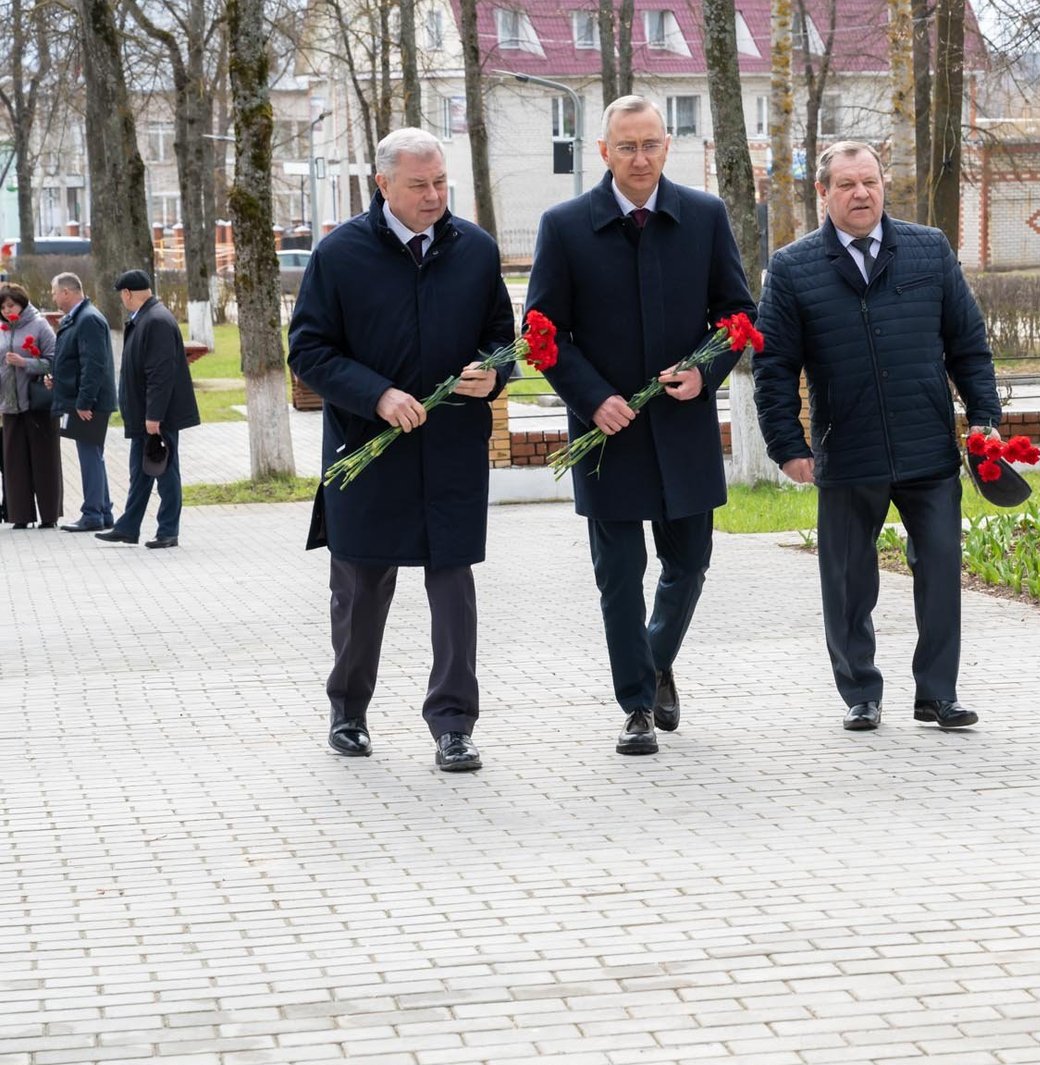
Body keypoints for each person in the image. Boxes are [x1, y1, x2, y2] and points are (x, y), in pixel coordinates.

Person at [526, 95, 754, 758]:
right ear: (604, 152)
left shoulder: (705, 216)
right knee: (619, 575)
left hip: (682, 429)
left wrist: (705, 369)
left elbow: (736, 315)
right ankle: (636, 708)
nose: (641, 157)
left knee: (690, 563)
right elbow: (543, 334)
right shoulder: (565, 226)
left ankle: (652, 662)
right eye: (627, 146)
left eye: (651, 143)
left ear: (667, 146)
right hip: (608, 436)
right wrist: (592, 399)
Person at [753, 140, 1002, 733]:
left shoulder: (928, 249)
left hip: (927, 446)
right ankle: (860, 693)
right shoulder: (792, 268)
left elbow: (967, 341)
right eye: (846, 184)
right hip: (847, 448)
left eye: (869, 181)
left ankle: (937, 694)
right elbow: (775, 367)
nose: (860, 193)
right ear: (823, 193)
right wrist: (787, 444)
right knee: (846, 582)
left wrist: (985, 416)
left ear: (883, 183)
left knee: (940, 570)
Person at [288, 127, 515, 774]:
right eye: (419, 185)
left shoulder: (474, 249)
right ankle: (349, 711)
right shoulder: (340, 254)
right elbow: (307, 350)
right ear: (382, 184)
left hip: (450, 452)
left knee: (453, 590)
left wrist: (491, 373)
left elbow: (504, 337)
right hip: (368, 450)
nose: (434, 196)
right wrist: (377, 394)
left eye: (441, 182)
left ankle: (453, 725)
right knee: (360, 590)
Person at [96, 270, 198, 550]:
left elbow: (160, 373)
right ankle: (128, 528)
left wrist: (154, 417)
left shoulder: (156, 321)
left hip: (156, 417)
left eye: (122, 295)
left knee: (165, 472)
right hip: (144, 415)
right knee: (140, 472)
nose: (122, 300)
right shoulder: (147, 318)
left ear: (128, 293)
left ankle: (168, 531)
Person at [49, 272, 117, 532]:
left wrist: (84, 401)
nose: (53, 297)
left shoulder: (87, 319)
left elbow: (94, 364)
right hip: (84, 398)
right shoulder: (80, 317)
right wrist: (57, 379)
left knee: (90, 455)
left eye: (55, 292)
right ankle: (103, 510)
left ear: (67, 292)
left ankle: (92, 514)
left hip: (89, 402)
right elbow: (76, 360)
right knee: (93, 454)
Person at [0, 283, 62, 529]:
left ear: (22, 304)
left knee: (44, 459)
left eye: (11, 305)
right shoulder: (2, 329)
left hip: (37, 403)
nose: (7, 310)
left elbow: (53, 361)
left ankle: (49, 515)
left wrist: (25, 363)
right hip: (10, 405)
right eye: (3, 307)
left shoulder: (39, 325)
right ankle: (20, 515)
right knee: (14, 462)